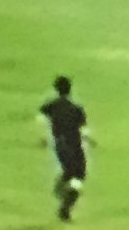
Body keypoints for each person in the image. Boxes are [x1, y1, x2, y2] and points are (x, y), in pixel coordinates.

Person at [38, 75, 91, 222]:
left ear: (57, 89)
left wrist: (43, 137)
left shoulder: (51, 106)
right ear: (70, 89)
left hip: (61, 146)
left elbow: (41, 119)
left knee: (72, 173)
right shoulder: (76, 109)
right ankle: (65, 203)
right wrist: (89, 140)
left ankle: (64, 195)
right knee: (78, 175)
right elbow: (83, 129)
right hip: (76, 146)